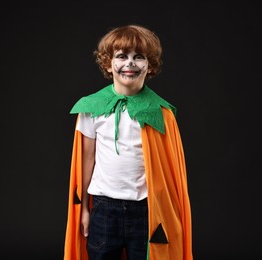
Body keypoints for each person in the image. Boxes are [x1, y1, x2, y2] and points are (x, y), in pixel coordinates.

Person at [63, 24, 193, 260]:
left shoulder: (160, 113)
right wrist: (83, 210)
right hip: (103, 209)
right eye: (121, 56)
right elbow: (87, 159)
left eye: (139, 57)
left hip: (145, 211)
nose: (130, 63)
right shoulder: (92, 108)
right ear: (108, 63)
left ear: (149, 65)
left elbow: (169, 174)